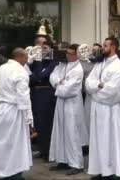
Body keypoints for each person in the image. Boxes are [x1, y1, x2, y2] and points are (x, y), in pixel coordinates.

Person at [86, 37, 120, 179]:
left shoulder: (117, 66)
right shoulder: (100, 63)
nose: (102, 48)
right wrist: (98, 85)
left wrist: (95, 92)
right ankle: (99, 169)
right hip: (98, 108)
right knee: (98, 140)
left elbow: (112, 90)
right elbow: (88, 83)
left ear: (114, 47)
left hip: (110, 109)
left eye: (105, 46)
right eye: (103, 45)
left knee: (110, 140)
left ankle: (112, 171)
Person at [0, 48, 34, 180]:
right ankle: (13, 174)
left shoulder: (2, 68)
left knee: (4, 143)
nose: (27, 60)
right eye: (26, 57)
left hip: (3, 109)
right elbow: (23, 97)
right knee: (16, 143)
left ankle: (5, 172)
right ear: (20, 57)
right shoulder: (20, 72)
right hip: (15, 110)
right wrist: (29, 119)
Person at [49, 44, 85, 175]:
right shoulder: (63, 65)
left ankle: (76, 163)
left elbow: (69, 89)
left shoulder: (78, 69)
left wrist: (60, 84)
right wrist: (60, 82)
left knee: (72, 132)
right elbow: (53, 76)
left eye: (70, 54)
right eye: (67, 53)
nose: (67, 55)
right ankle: (62, 160)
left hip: (72, 104)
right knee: (60, 130)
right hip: (61, 102)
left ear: (77, 55)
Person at [27, 40, 58, 161]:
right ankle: (41, 148)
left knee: (46, 124)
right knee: (38, 123)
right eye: (41, 48)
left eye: (45, 48)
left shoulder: (53, 63)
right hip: (36, 95)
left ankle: (48, 151)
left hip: (47, 96)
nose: (42, 50)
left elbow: (41, 76)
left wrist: (38, 64)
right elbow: (31, 78)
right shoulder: (38, 62)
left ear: (51, 49)